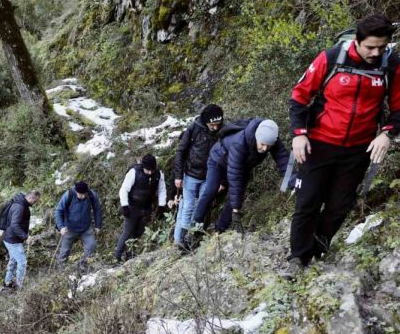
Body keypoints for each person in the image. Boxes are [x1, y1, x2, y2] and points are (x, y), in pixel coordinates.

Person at [284, 14, 400, 279]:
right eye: (370, 47)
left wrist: (387, 134)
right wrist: (299, 134)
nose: (375, 52)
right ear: (357, 42)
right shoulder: (332, 57)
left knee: (340, 206)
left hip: (359, 149)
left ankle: (318, 248)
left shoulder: (390, 65)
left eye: (381, 47)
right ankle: (298, 258)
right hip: (320, 144)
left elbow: (399, 108)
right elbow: (299, 96)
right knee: (308, 202)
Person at [190, 118, 292, 236]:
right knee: (211, 191)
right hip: (218, 161)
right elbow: (235, 177)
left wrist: (293, 181)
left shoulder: (272, 139)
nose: (264, 149)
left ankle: (218, 230)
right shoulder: (239, 142)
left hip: (241, 166)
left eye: (268, 146)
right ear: (257, 137)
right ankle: (195, 229)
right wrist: (236, 210)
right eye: (262, 144)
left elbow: (284, 160)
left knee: (238, 196)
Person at [172, 104, 224, 248]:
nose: (215, 127)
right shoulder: (194, 128)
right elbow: (181, 151)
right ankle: (180, 241)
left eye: (217, 124)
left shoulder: (223, 131)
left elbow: (227, 155)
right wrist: (178, 176)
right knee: (188, 206)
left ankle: (192, 239)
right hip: (191, 174)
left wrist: (222, 181)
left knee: (201, 206)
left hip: (210, 176)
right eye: (212, 124)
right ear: (206, 121)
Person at [115, 154, 167, 262]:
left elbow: (162, 190)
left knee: (138, 233)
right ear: (143, 166)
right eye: (147, 170)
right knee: (128, 232)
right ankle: (117, 257)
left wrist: (162, 206)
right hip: (131, 207)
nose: (149, 172)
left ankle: (130, 255)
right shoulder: (134, 172)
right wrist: (125, 206)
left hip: (146, 208)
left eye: (151, 170)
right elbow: (123, 190)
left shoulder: (158, 174)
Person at [54, 181, 103, 269]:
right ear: (76, 191)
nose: (83, 196)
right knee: (64, 251)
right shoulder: (68, 195)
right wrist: (61, 227)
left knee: (91, 246)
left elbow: (97, 209)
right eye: (80, 194)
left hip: (86, 227)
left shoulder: (92, 194)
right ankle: (60, 269)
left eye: (85, 194)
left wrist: (98, 225)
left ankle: (84, 267)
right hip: (69, 228)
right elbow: (58, 211)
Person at [1, 190, 41, 289]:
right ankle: (19, 286)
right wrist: (26, 237)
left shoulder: (21, 203)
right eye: (35, 201)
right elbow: (14, 225)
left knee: (14, 260)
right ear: (31, 198)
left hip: (11, 238)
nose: (34, 203)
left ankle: (7, 281)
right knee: (22, 262)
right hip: (12, 240)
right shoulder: (20, 207)